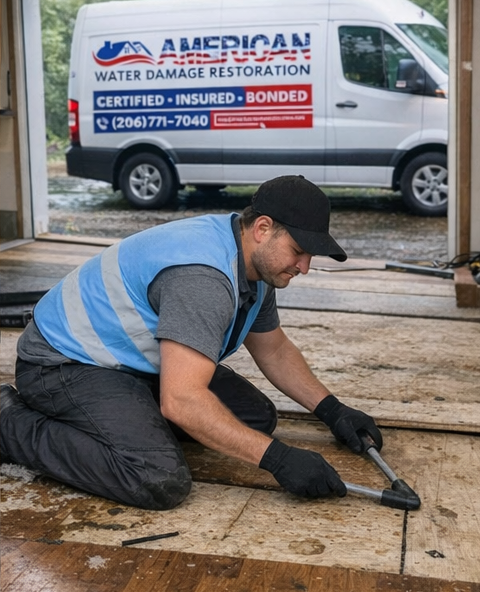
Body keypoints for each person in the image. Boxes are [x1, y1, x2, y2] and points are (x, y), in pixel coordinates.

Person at [0, 175, 382, 510]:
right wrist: (278, 460)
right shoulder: (203, 277)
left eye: (310, 255)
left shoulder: (254, 263)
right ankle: (8, 423)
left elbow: (275, 349)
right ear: (263, 229)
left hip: (128, 362)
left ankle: (129, 420)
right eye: (299, 251)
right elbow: (181, 400)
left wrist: (333, 410)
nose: (305, 267)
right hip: (65, 364)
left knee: (255, 418)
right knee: (156, 477)